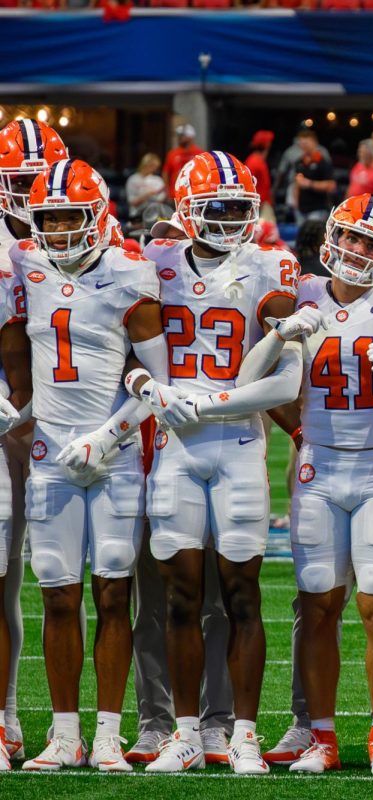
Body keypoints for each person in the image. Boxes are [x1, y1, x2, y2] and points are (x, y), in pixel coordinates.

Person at [233, 195, 373, 774]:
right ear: (331, 236)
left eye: (372, 244)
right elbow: (250, 380)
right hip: (319, 468)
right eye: (352, 239)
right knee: (317, 605)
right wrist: (297, 424)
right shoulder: (303, 292)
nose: (359, 252)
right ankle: (321, 737)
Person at [133, 150, 299, 774]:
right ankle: (182, 731)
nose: (230, 219)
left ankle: (245, 733)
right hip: (176, 446)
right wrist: (151, 390)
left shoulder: (271, 265)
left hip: (235, 441)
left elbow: (286, 381)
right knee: (179, 596)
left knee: (242, 593)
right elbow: (124, 350)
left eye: (239, 208)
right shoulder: (153, 263)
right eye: (217, 207)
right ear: (185, 210)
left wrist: (205, 400)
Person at [4, 159, 166, 772]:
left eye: (72, 215)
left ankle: (106, 735)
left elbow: (160, 381)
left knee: (113, 592)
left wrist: (110, 434)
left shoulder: (130, 271)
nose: (62, 228)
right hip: (49, 452)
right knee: (58, 595)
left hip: (114, 454)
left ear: (97, 214)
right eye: (49, 218)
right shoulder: (27, 262)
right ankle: (65, 734)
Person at [0, 118, 70, 763]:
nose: (26, 193)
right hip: (4, 425)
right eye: (16, 180)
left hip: (59, 429)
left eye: (34, 177)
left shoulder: (87, 238)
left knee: (52, 578)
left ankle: (28, 718)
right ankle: (6, 718)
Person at [292, 130, 336, 222]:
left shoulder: (323, 162)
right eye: (301, 143)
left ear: (314, 142)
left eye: (306, 143)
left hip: (317, 209)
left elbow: (331, 185)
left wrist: (310, 184)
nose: (303, 146)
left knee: (313, 234)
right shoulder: (299, 162)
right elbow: (297, 184)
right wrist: (295, 202)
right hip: (301, 209)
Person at [163, 124, 202, 202]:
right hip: (174, 195)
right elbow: (166, 173)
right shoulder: (172, 153)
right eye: (179, 136)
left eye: (182, 136)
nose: (179, 138)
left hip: (193, 194)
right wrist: (166, 191)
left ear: (190, 137)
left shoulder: (199, 153)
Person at [125, 153, 166, 221]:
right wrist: (147, 195)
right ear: (145, 164)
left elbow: (161, 200)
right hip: (137, 216)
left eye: (156, 167)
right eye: (151, 166)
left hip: (155, 215)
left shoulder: (158, 180)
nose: (154, 169)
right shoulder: (133, 179)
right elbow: (132, 202)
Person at [244, 130, 274, 223]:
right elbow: (248, 186)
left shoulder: (257, 159)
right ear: (267, 145)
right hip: (259, 206)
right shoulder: (254, 161)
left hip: (261, 204)